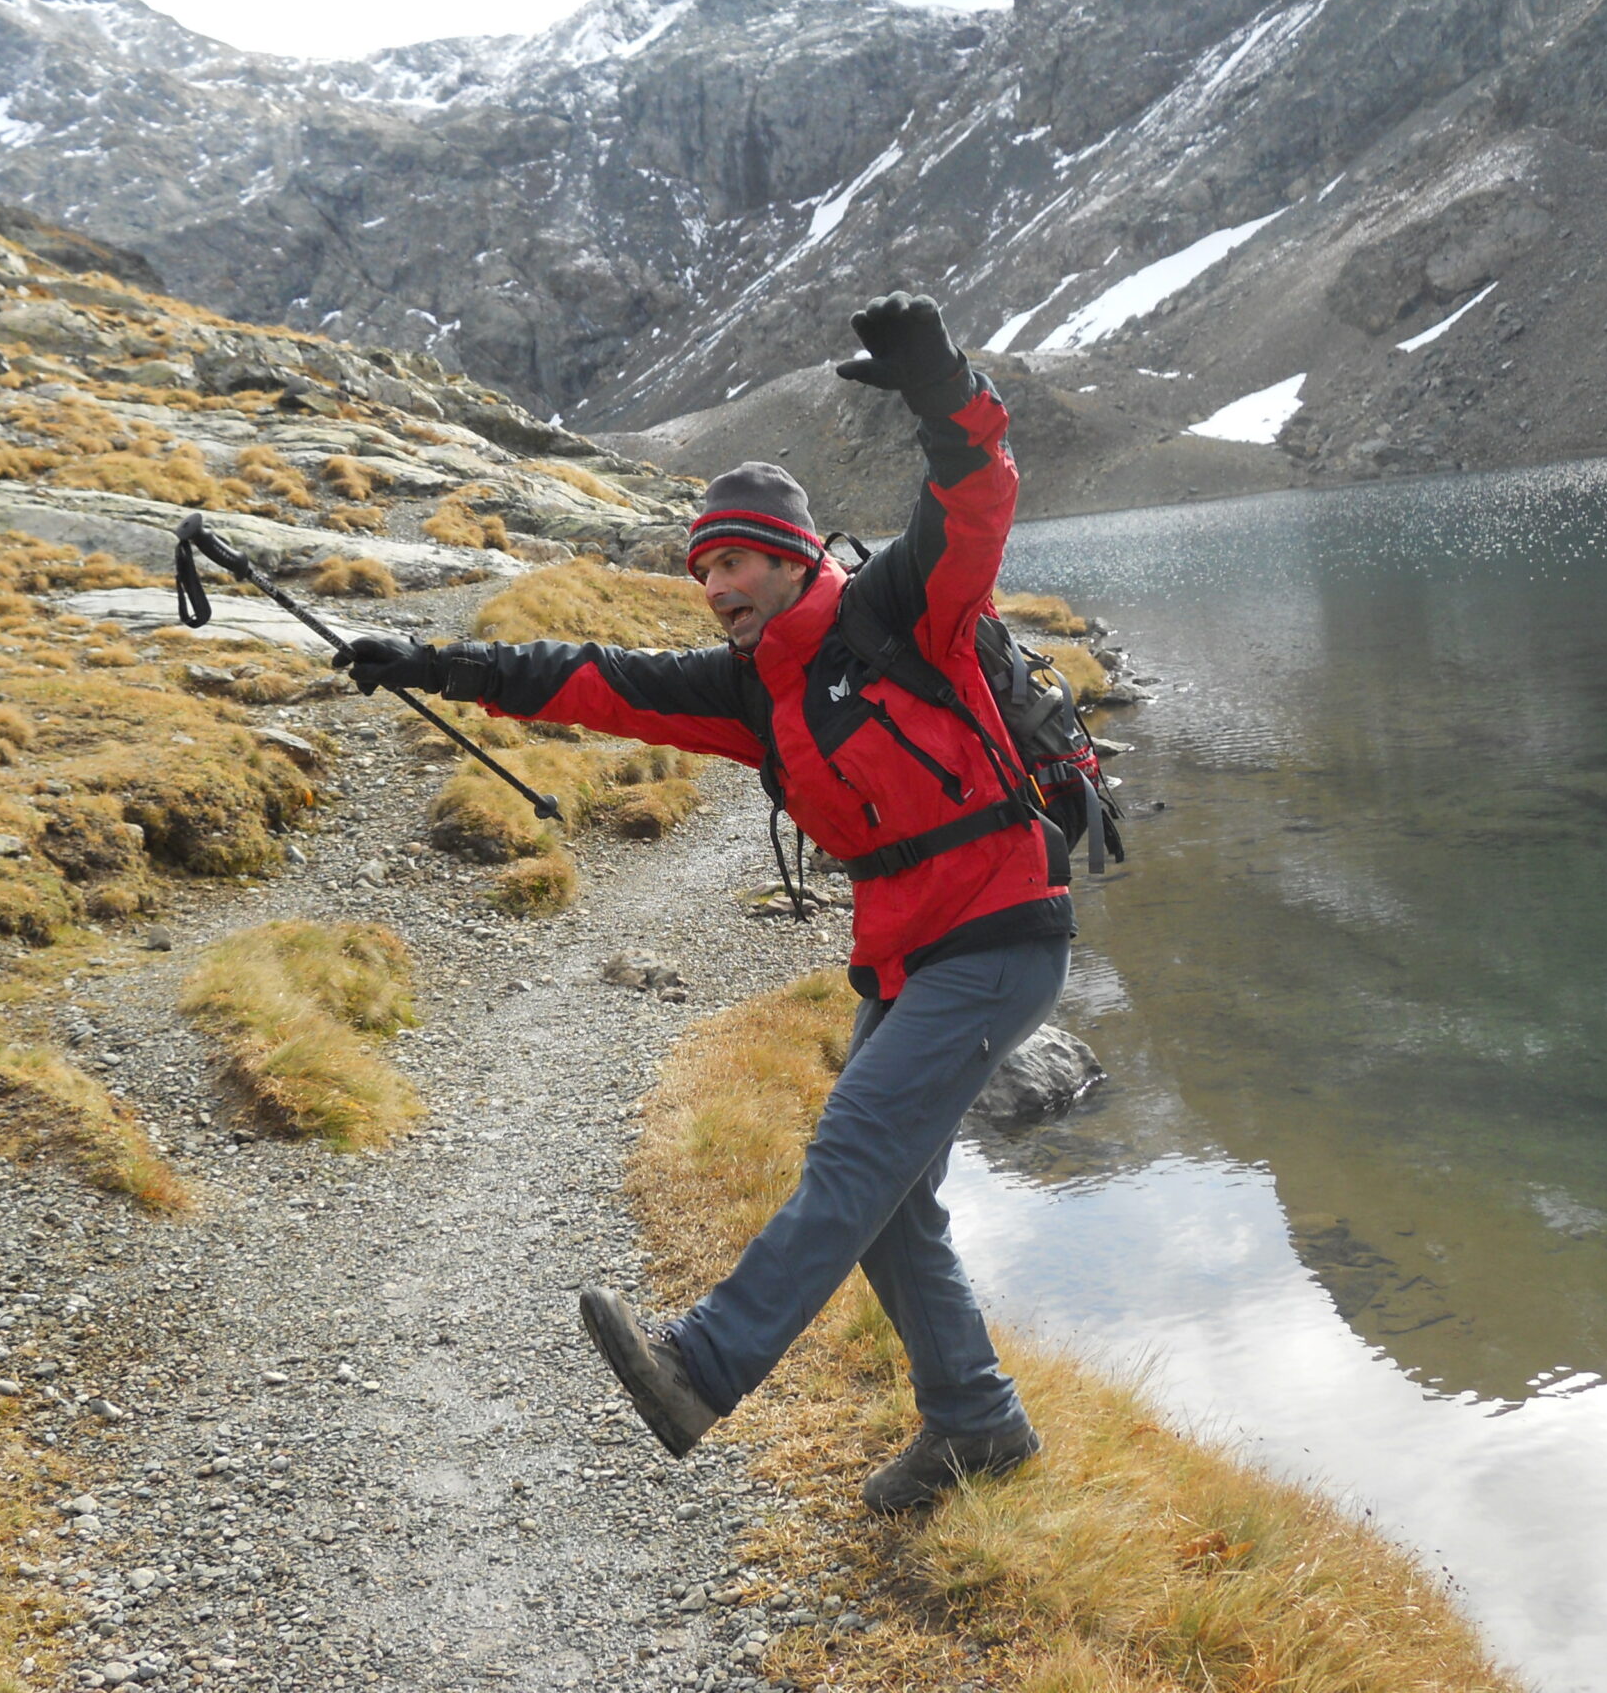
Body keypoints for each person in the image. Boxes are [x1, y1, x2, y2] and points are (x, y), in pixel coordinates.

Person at [331, 293, 1072, 1514]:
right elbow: (592, 681)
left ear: (792, 559)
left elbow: (973, 496)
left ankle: (703, 1367)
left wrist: (945, 393)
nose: (715, 583)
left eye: (735, 561)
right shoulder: (746, 690)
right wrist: (430, 664)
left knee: (852, 1150)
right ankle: (977, 1425)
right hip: (907, 955)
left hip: (996, 931)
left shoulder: (902, 612)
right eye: (703, 566)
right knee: (887, 1205)